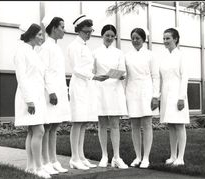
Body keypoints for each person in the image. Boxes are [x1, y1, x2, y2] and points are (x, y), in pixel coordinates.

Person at [67, 15, 109, 170]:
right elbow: (76, 69)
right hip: (78, 85)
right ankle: (74, 158)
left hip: (87, 86)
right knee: (77, 122)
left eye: (91, 31)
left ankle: (81, 156)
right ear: (79, 31)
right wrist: (94, 77)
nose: (89, 34)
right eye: (86, 32)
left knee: (83, 122)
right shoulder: (73, 46)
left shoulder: (85, 46)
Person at [14, 23, 51, 179]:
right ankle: (38, 167)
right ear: (31, 34)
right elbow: (21, 78)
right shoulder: (21, 52)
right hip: (28, 98)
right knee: (39, 131)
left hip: (37, 97)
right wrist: (29, 101)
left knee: (32, 131)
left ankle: (30, 167)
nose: (42, 38)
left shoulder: (33, 52)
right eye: (40, 35)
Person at [92, 24, 128, 169]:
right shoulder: (95, 52)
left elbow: (123, 72)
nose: (110, 38)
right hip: (100, 90)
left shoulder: (119, 53)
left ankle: (117, 157)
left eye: (112, 36)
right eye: (107, 35)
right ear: (102, 36)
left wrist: (116, 75)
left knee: (114, 124)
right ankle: (104, 155)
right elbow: (91, 72)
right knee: (101, 123)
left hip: (114, 90)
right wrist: (98, 77)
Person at [39, 16, 71, 174]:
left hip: (59, 90)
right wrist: (51, 91)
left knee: (54, 126)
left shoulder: (56, 47)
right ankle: (45, 160)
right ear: (54, 28)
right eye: (62, 27)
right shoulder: (45, 47)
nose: (64, 30)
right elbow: (45, 71)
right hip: (50, 92)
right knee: (47, 126)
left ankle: (53, 159)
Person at [125, 28, 160, 168]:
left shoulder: (151, 55)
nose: (135, 41)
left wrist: (155, 96)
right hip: (132, 91)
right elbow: (125, 77)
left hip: (146, 90)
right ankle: (137, 156)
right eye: (132, 38)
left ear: (143, 39)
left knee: (146, 124)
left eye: (137, 38)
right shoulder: (127, 56)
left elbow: (156, 76)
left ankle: (146, 157)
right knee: (134, 125)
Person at [160, 28, 189, 166]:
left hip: (178, 94)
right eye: (164, 38)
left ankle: (181, 157)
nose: (165, 41)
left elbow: (184, 78)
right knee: (171, 125)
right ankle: (172, 155)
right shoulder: (163, 56)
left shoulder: (182, 55)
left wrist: (181, 97)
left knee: (179, 125)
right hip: (166, 94)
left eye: (168, 38)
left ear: (175, 39)